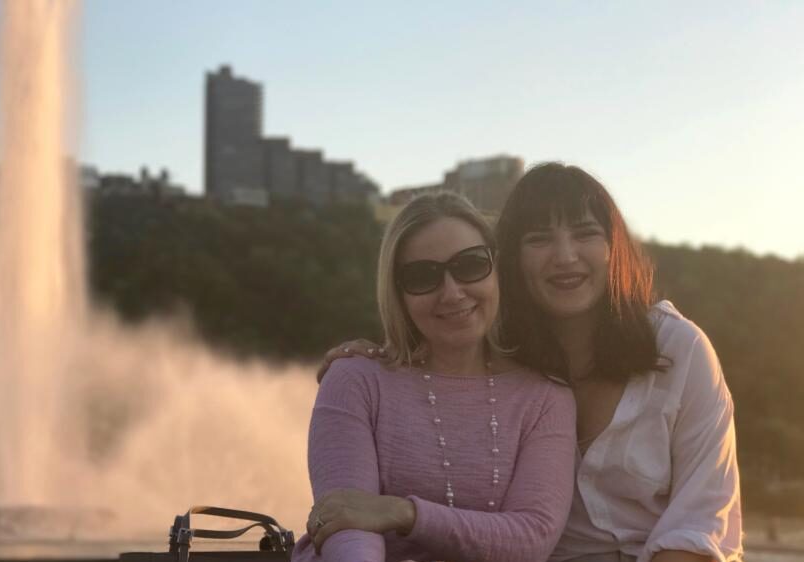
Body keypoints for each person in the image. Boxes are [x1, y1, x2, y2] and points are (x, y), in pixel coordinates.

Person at [318, 163, 742, 562]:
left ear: (614, 248)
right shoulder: (507, 356)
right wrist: (375, 358)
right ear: (511, 261)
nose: (565, 256)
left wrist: (403, 513)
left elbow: (700, 522)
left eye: (585, 233)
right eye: (539, 238)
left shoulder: (677, 348)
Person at [293, 192, 577, 562]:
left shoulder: (544, 397)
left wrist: (403, 512)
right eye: (423, 275)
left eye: (471, 265)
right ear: (398, 291)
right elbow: (347, 530)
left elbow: (532, 537)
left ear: (497, 269)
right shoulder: (355, 381)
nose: (452, 292)